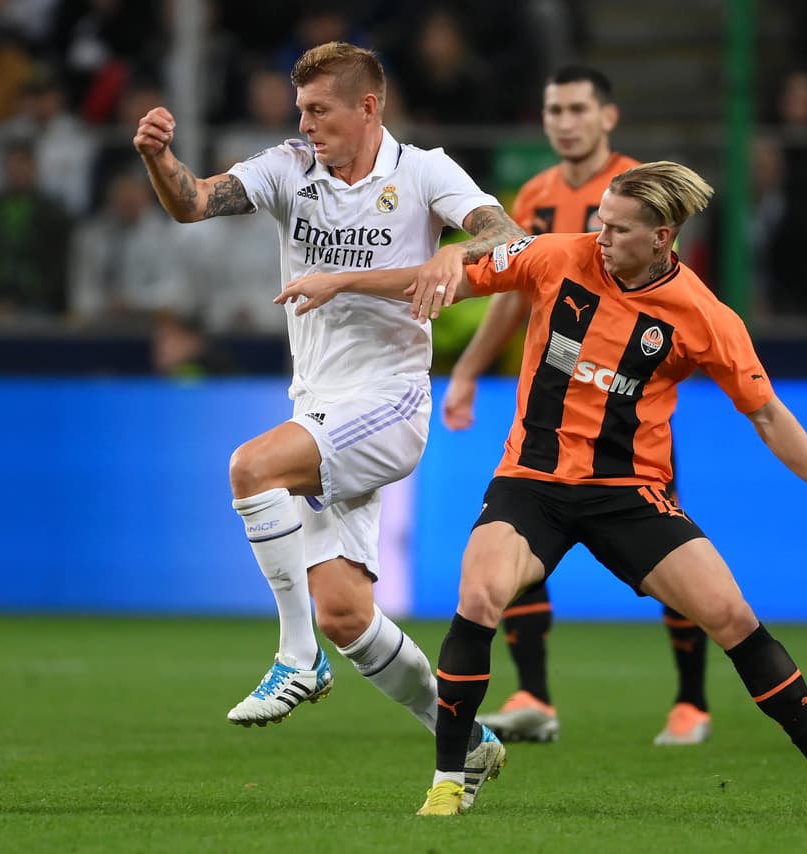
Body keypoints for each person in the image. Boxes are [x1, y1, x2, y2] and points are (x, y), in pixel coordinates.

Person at [276, 161, 807, 819]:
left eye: (616, 227)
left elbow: (767, 414)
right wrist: (344, 281)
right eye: (598, 221)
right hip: (533, 484)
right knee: (479, 595)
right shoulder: (556, 257)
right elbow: (442, 277)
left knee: (733, 618)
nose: (599, 235)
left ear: (662, 236)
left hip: (629, 495)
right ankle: (449, 777)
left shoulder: (703, 315)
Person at [132, 41, 524, 810]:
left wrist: (452, 255)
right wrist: (158, 157)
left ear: (368, 107)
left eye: (319, 110)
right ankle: (467, 742)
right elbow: (190, 202)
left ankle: (294, 655)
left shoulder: (424, 173)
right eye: (300, 108)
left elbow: (504, 237)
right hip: (317, 406)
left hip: (391, 402)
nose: (304, 123)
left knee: (251, 469)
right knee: (348, 614)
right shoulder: (288, 169)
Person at [445, 66, 710, 747]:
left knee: (670, 546)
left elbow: (674, 292)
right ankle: (533, 693)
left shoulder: (639, 189)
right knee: (517, 532)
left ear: (607, 117)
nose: (563, 121)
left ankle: (692, 702)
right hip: (552, 398)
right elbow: (513, 290)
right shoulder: (531, 195)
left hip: (626, 411)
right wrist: (470, 369)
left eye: (576, 108)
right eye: (552, 109)